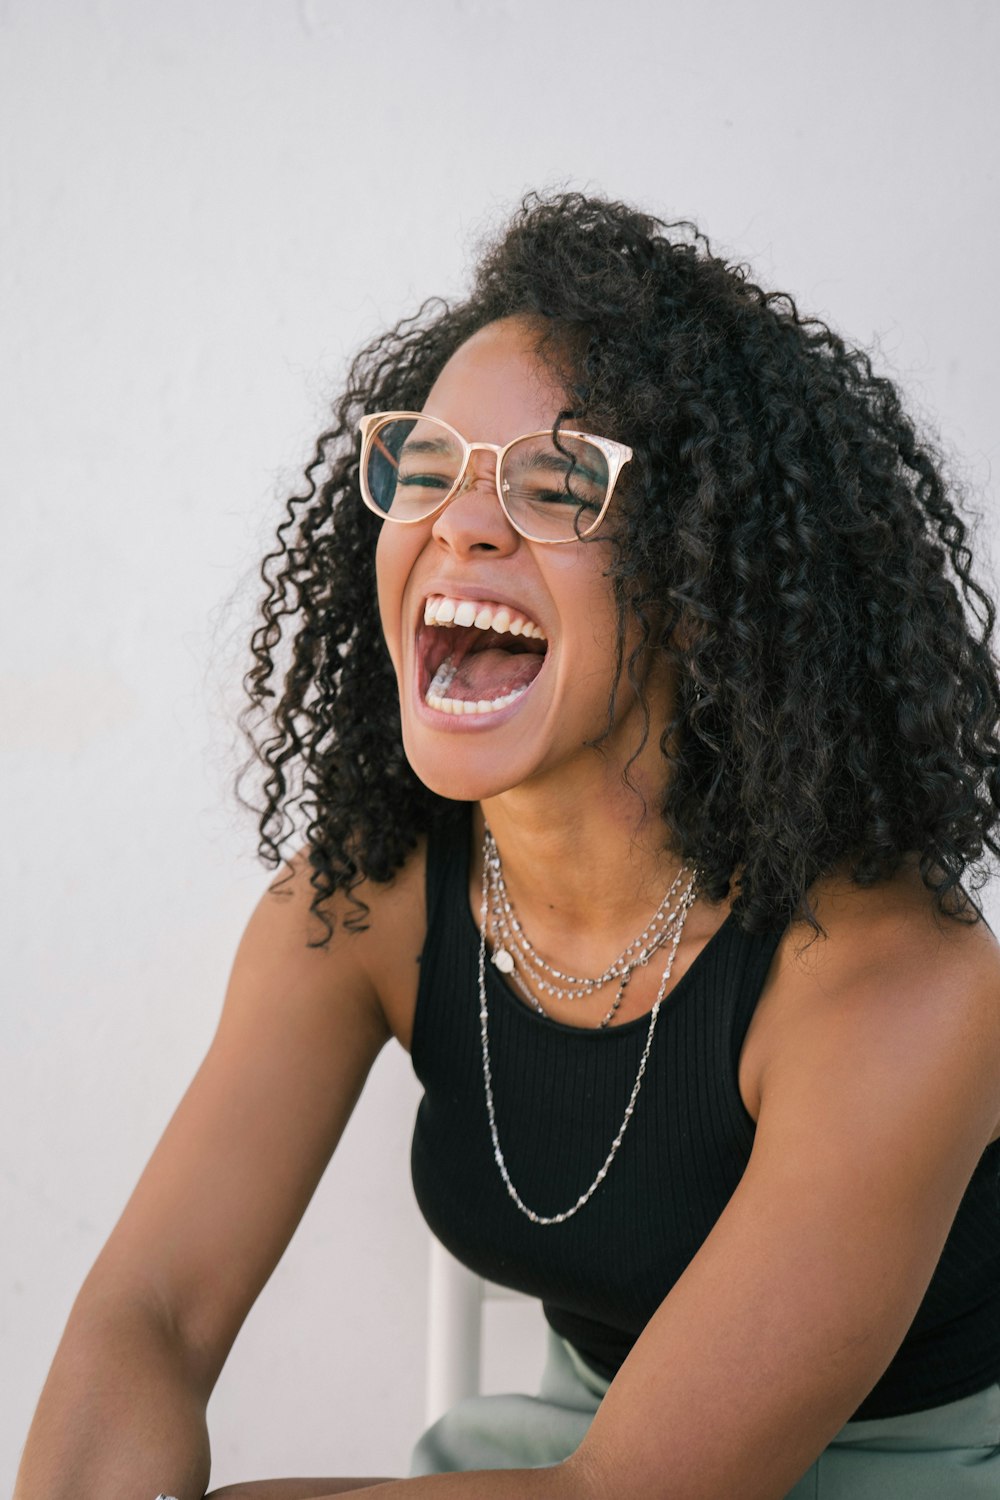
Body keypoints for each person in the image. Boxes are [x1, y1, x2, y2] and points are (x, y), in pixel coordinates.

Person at [14, 192, 1000, 1500]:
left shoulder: (902, 985)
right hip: (568, 1449)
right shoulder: (361, 907)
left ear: (702, 586)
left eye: (558, 483)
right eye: (424, 469)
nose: (461, 526)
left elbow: (633, 1496)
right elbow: (150, 1316)